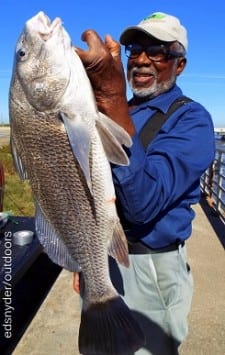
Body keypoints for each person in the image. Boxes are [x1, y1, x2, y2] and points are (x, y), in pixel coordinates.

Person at [73, 11, 215, 354]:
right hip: (100, 257)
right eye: (135, 50)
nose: (141, 60)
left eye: (158, 51)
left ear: (179, 64)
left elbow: (143, 203)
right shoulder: (115, 108)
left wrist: (111, 98)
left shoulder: (192, 120)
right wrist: (84, 259)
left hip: (150, 268)